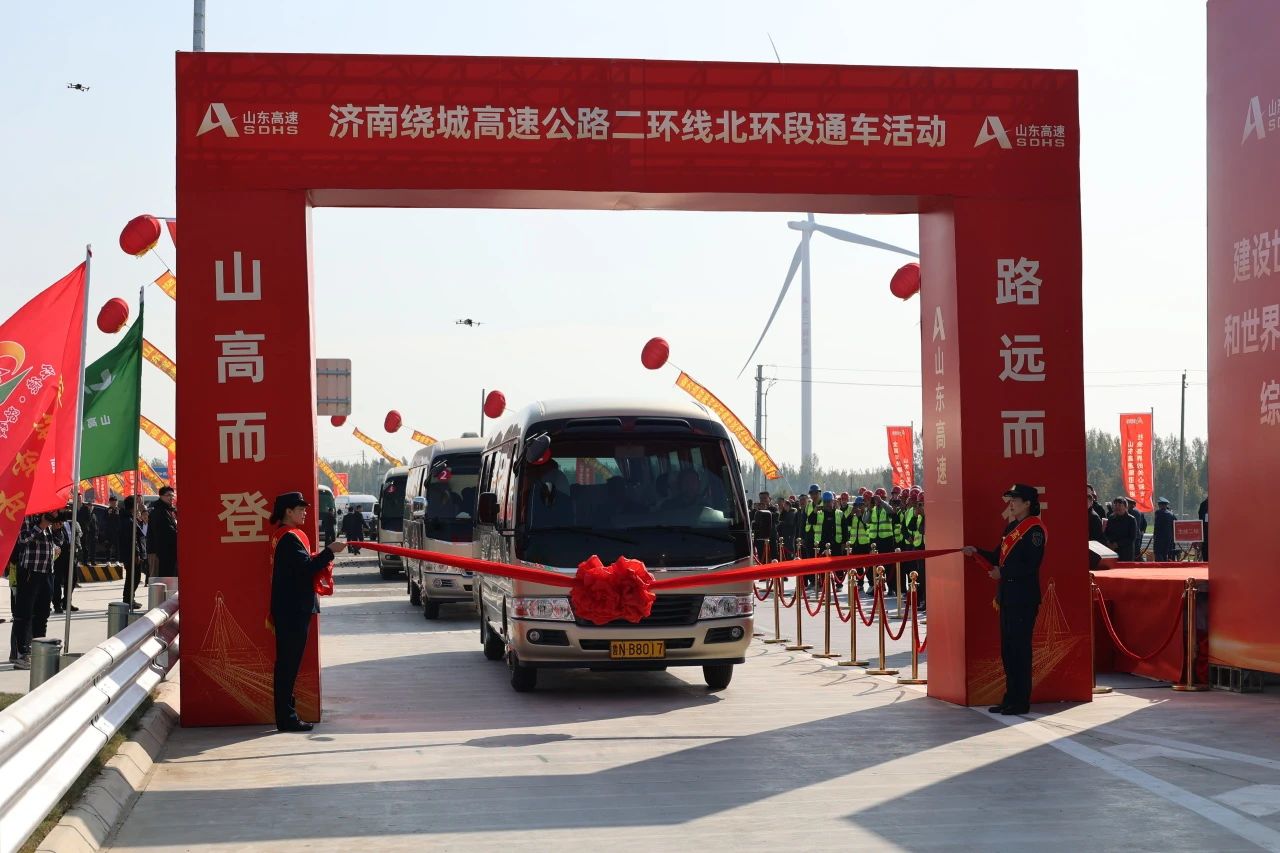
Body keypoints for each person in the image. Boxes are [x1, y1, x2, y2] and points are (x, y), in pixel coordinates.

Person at [962, 484, 1045, 716]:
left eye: (1015, 499)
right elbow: (996, 556)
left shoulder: (1034, 530)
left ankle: (1021, 701)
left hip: (1023, 598)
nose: (1011, 503)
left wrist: (1003, 573)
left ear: (1028, 503)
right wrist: (976, 552)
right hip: (1007, 596)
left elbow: (1031, 565)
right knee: (1008, 650)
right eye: (1010, 499)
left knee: (1020, 650)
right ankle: (1010, 698)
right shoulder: (1011, 527)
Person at [269, 491, 346, 732]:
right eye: (300, 509)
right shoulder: (289, 538)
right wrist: (330, 551)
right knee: (288, 665)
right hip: (292, 610)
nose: (305, 513)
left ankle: (287, 712)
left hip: (289, 609)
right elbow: (306, 569)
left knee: (288, 664)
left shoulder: (284, 536)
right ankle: (286, 717)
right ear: (288, 512)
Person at [10, 512, 65, 670]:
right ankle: (21, 653)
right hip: (30, 571)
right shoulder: (27, 516)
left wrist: (56, 530)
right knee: (24, 614)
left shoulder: (47, 519)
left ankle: (39, 649)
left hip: (47, 572)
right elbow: (22, 539)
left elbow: (57, 543)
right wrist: (41, 525)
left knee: (43, 614)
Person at [118, 497, 148, 608]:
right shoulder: (128, 521)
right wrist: (137, 554)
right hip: (131, 554)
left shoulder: (129, 518)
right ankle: (128, 600)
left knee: (133, 577)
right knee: (133, 578)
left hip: (130, 553)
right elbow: (133, 539)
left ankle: (129, 599)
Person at [52, 506, 82, 614]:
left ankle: (66, 602)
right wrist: (55, 529)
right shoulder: (55, 523)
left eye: (68, 509)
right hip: (60, 555)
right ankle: (57, 604)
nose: (67, 510)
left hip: (72, 555)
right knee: (57, 580)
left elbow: (78, 536)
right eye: (65, 509)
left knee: (73, 579)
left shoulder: (72, 523)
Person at [148, 486, 179, 577]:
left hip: (170, 551)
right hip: (162, 552)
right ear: (161, 496)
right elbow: (165, 531)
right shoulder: (158, 511)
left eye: (172, 495)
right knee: (164, 578)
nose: (171, 497)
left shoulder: (170, 510)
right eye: (168, 495)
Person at [1104, 497, 1138, 561]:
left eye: (1119, 505)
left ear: (1125, 507)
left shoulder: (1131, 519)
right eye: (1115, 505)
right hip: (1112, 551)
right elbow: (1106, 532)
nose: (1117, 507)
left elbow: (1132, 538)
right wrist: (1108, 542)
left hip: (1126, 553)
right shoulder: (1111, 517)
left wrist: (1117, 544)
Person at [104, 496, 121, 562]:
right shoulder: (106, 510)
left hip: (117, 532)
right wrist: (108, 514)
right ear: (110, 503)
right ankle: (108, 561)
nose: (114, 504)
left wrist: (118, 515)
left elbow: (121, 521)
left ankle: (117, 561)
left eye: (115, 502)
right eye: (112, 502)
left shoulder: (119, 510)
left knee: (117, 547)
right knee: (108, 547)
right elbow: (104, 520)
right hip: (109, 532)